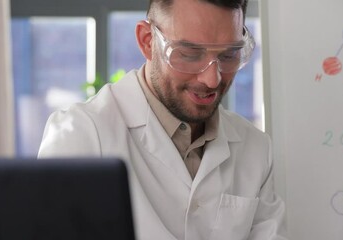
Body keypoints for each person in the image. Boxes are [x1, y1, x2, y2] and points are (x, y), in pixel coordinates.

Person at [38, 0, 288, 239]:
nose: (212, 79)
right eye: (190, 54)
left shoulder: (255, 148)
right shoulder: (82, 134)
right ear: (147, 41)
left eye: (228, 55)